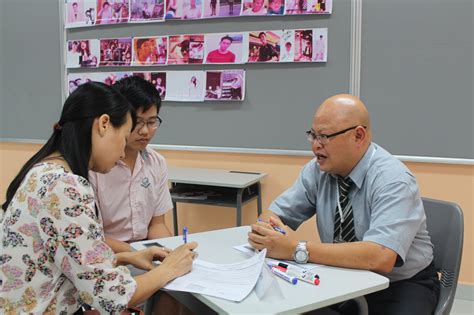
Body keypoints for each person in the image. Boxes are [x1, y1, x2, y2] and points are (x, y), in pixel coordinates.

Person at [0, 82, 197, 313]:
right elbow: (108, 295)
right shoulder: (66, 186)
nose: (123, 152)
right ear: (104, 124)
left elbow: (72, 257)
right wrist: (170, 268)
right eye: (124, 138)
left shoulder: (43, 171)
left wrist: (126, 257)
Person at [248, 94, 440, 315]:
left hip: (399, 283)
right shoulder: (317, 169)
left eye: (325, 136)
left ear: (358, 135)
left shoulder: (394, 179)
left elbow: (381, 257)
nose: (315, 146)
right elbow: (272, 215)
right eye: (313, 135)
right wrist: (270, 234)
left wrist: (295, 249)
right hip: (341, 273)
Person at [89, 77, 172, 254]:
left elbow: (157, 225)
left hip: (142, 251)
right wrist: (136, 254)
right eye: (138, 122)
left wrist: (170, 251)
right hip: (104, 253)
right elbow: (91, 236)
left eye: (151, 122)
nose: (145, 131)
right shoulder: (95, 166)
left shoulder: (156, 162)